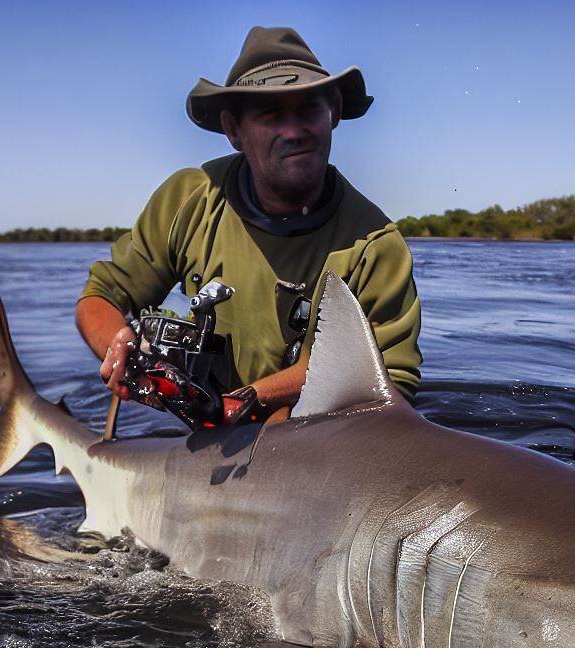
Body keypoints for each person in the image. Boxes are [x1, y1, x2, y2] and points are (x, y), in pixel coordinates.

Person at [77, 26, 422, 424]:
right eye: (271, 115)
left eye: (309, 109)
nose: (294, 132)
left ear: (334, 115)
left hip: (309, 446)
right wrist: (118, 348)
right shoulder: (190, 200)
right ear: (233, 130)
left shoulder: (377, 247)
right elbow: (101, 296)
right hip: (203, 445)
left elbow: (387, 390)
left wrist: (243, 403)